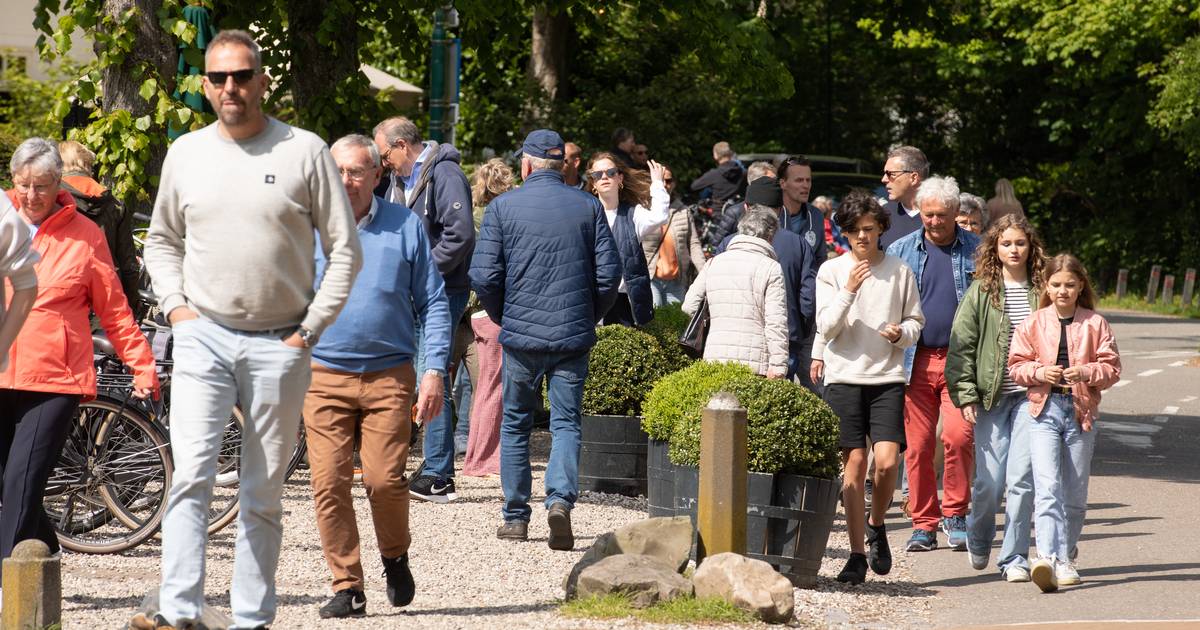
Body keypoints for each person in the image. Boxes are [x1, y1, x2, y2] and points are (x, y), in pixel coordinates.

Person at [137, 30, 362, 630]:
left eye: (241, 76)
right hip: (204, 334)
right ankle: (179, 613)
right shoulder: (186, 152)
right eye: (218, 78)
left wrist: (309, 331)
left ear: (263, 81)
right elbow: (161, 241)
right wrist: (177, 310)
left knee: (261, 494)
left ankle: (250, 619)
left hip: (280, 342)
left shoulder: (304, 151)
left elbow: (345, 251)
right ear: (205, 86)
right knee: (190, 476)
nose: (230, 87)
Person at [301, 134, 450, 619]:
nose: (346, 181)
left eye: (357, 171)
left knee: (384, 481)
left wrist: (433, 371)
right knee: (327, 481)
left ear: (376, 176)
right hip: (323, 376)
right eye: (338, 171)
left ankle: (395, 556)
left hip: (389, 376)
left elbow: (433, 304)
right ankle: (348, 585)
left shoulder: (405, 227)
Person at [2, 138, 158, 579]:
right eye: (24, 185)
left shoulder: (85, 235)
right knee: (9, 487)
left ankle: (6, 585)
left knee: (21, 484)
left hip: (54, 379)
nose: (32, 196)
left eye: (43, 185)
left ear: (59, 183)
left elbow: (114, 310)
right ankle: (47, 555)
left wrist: (141, 364)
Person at [470, 129, 621, 549]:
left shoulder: (502, 208)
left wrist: (506, 316)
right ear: (563, 165)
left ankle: (516, 516)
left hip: (520, 337)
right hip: (572, 336)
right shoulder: (588, 206)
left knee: (515, 425)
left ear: (526, 164)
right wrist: (589, 315)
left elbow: (483, 276)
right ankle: (559, 503)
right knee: (566, 423)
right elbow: (610, 275)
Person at [815, 189, 924, 585]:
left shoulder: (899, 270)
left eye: (870, 229)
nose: (863, 237)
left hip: (887, 376)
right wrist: (849, 289)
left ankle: (877, 524)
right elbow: (826, 327)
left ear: (881, 229)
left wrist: (900, 334)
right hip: (844, 375)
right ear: (844, 233)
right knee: (854, 465)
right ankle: (857, 553)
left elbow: (916, 321)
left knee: (888, 462)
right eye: (855, 231)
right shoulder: (831, 271)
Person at [372, 116, 474, 504]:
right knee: (423, 374)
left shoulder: (445, 174)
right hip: (412, 292)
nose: (383, 164)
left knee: (433, 374)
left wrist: (424, 273)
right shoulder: (400, 181)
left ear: (401, 146)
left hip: (442, 290)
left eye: (385, 155)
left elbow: (460, 234)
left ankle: (438, 474)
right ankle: (432, 465)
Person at [1008, 254, 1120, 592]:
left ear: (1080, 286)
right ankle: (1047, 556)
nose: (1063, 291)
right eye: (1056, 284)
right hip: (1043, 411)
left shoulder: (1095, 324)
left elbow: (1112, 368)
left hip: (1080, 411)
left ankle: (1066, 555)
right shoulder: (1033, 322)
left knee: (1074, 492)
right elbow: (1016, 366)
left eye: (1070, 285)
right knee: (1047, 487)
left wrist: (1085, 372)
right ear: (1046, 286)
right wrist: (1041, 372)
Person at [947, 215, 1047, 583]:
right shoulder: (982, 290)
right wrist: (966, 394)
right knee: (989, 480)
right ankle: (979, 534)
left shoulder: (1042, 290)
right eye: (1006, 244)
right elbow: (962, 345)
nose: (1014, 250)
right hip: (991, 397)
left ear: (1030, 246)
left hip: (1031, 396)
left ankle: (1014, 557)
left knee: (1021, 479)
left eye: (1020, 243)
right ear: (995, 249)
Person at [886, 176, 981, 553]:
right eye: (928, 215)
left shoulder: (979, 251)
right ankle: (924, 522)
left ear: (957, 213)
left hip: (962, 360)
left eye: (942, 215)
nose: (935, 222)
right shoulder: (900, 250)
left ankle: (955, 514)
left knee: (958, 437)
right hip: (915, 359)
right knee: (919, 445)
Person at [716, 178, 817, 385]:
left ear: (745, 208)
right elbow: (808, 298)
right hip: (783, 341)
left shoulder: (728, 244)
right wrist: (800, 330)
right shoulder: (798, 244)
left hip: (730, 339)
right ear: (780, 210)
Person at [683, 205, 788, 378]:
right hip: (754, 364)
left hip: (714, 358)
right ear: (770, 235)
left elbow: (689, 305)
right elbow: (776, 322)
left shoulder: (714, 263)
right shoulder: (771, 268)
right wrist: (778, 365)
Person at [463, 158, 515, 478]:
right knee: (492, 386)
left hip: (474, 309)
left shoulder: (472, 216)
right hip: (491, 309)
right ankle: (483, 460)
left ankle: (478, 456)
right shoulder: (499, 219)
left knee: (485, 386)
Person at [588, 152, 669, 326]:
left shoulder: (633, 214)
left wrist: (657, 184)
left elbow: (660, 217)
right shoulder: (585, 215)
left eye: (611, 172)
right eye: (597, 175)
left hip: (625, 304)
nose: (604, 177)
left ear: (620, 178)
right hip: (592, 302)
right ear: (593, 184)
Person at [58, 140, 140, 307]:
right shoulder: (114, 203)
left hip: (63, 295)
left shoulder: (51, 199)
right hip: (106, 296)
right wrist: (132, 303)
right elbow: (128, 262)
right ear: (87, 164)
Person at [642, 164, 707, 306]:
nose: (665, 185)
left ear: (674, 184)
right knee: (654, 322)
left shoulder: (683, 210)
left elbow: (693, 244)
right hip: (651, 278)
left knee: (678, 323)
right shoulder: (643, 210)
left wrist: (704, 272)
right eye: (662, 180)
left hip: (677, 280)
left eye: (669, 181)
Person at [706, 160, 776, 248]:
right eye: (772, 181)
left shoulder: (781, 209)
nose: (777, 185)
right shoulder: (734, 213)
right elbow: (715, 246)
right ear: (756, 183)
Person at [878, 146, 929, 249]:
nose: (883, 179)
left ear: (913, 178)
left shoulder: (941, 216)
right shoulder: (881, 215)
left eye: (890, 174)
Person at [689, 141, 747, 207]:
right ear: (730, 154)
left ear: (716, 156)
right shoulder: (743, 173)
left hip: (718, 213)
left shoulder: (714, 174)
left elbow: (694, 186)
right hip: (739, 212)